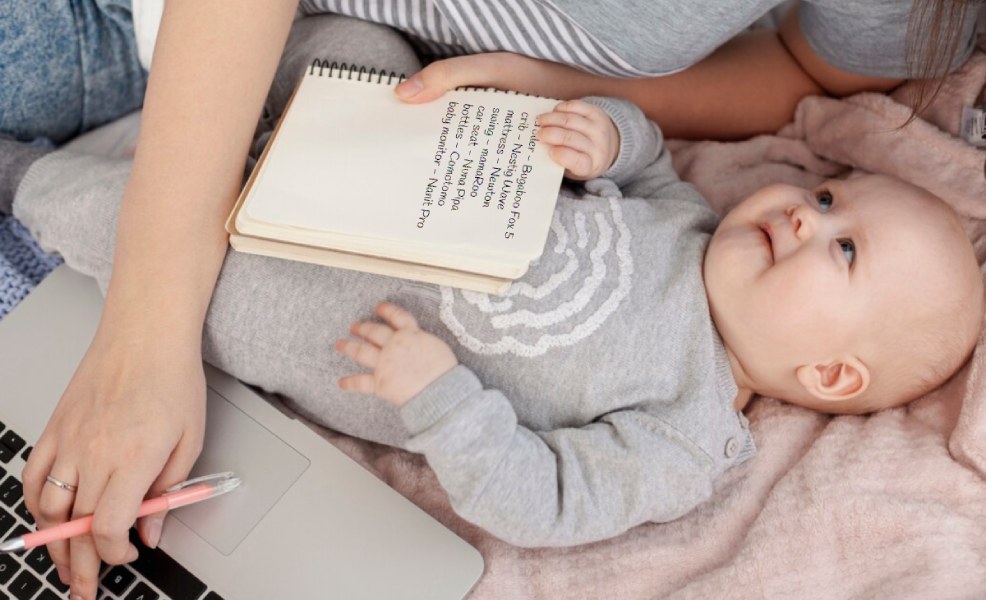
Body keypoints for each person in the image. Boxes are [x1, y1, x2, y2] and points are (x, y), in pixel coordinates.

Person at [0, 1, 980, 598]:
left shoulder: (687, 438)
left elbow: (540, 501)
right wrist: (606, 134)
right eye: (822, 196)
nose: (803, 217)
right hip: (338, 113)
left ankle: (17, 182)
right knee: (356, 48)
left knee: (75, 211)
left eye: (839, 248)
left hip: (262, 292)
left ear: (830, 373)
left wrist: (440, 398)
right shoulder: (685, 220)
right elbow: (636, 154)